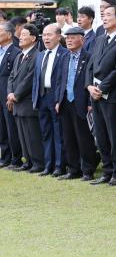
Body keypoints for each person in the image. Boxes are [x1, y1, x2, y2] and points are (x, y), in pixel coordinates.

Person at [86, 6, 116, 186]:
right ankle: (107, 170)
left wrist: (101, 87)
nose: (105, 17)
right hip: (94, 94)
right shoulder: (99, 38)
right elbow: (90, 65)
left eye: (109, 15)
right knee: (100, 135)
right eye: (103, 15)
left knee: (114, 135)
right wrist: (89, 86)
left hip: (112, 95)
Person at [55, 27, 98, 181]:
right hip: (66, 101)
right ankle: (73, 169)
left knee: (84, 137)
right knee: (68, 137)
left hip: (82, 102)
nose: (69, 40)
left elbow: (91, 80)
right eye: (67, 38)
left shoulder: (89, 57)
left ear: (82, 39)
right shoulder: (64, 57)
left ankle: (88, 170)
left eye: (73, 37)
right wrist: (58, 100)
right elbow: (60, 80)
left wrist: (90, 102)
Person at [32, 24, 67, 177]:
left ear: (58, 36)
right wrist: (35, 98)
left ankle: (59, 166)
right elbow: (36, 79)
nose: (46, 38)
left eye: (49, 35)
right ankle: (48, 165)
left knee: (58, 133)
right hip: (42, 97)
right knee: (46, 133)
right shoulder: (40, 55)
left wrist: (59, 99)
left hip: (56, 98)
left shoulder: (64, 54)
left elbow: (63, 80)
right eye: (44, 35)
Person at [7, 24, 43, 172]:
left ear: (33, 38)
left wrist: (16, 94)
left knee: (32, 135)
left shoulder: (36, 55)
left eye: (24, 35)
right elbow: (11, 77)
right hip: (16, 102)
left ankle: (38, 163)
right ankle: (27, 162)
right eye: (20, 35)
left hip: (27, 102)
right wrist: (10, 94)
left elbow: (30, 79)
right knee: (22, 134)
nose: (20, 37)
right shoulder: (19, 56)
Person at [0, 22, 22, 169]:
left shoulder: (16, 52)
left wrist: (11, 94)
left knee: (11, 127)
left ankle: (16, 158)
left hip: (7, 94)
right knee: (1, 127)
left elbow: (15, 77)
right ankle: (5, 157)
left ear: (8, 34)